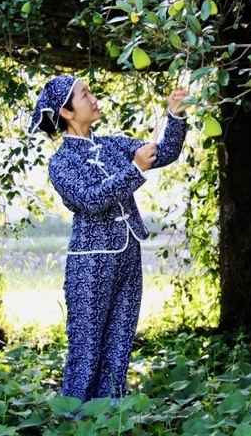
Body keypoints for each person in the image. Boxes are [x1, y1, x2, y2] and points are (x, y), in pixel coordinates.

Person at [29, 74, 190, 403]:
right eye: (84, 95)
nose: (93, 98)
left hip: (128, 252)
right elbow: (89, 200)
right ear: (67, 112)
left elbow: (165, 153)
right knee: (86, 348)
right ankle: (74, 416)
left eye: (90, 92)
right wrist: (134, 170)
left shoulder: (113, 144)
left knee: (120, 342)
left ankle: (110, 414)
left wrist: (175, 115)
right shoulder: (61, 163)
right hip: (90, 261)